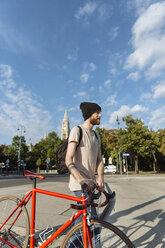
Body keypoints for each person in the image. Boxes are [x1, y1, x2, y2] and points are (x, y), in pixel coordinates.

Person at [65, 102, 104, 218]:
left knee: (82, 224)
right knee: (93, 221)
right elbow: (68, 159)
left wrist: (100, 178)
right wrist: (81, 179)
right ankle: (78, 235)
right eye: (97, 112)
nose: (100, 115)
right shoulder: (77, 131)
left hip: (91, 184)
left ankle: (73, 236)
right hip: (79, 185)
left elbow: (100, 160)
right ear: (89, 114)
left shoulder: (97, 136)